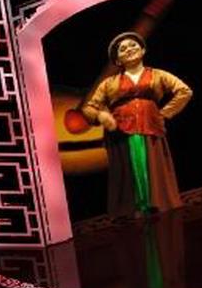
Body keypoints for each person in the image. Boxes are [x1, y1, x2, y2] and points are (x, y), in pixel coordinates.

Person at [82, 32, 192, 217]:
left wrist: (164, 113)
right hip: (121, 133)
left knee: (153, 167)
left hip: (150, 127)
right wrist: (100, 115)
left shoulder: (157, 75)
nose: (129, 49)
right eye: (123, 49)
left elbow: (184, 91)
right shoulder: (109, 83)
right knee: (129, 168)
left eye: (133, 45)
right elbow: (88, 108)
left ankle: (157, 204)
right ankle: (134, 209)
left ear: (143, 50)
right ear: (118, 60)